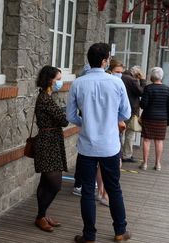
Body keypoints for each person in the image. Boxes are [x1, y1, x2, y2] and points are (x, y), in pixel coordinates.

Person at [67, 43, 132, 243]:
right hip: (110, 145)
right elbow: (126, 113)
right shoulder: (116, 83)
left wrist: (85, 122)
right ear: (105, 61)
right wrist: (112, 121)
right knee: (114, 188)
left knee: (87, 190)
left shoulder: (78, 83)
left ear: (89, 59)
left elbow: (70, 115)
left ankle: (89, 235)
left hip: (87, 146)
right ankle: (120, 231)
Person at [33, 65, 69, 232]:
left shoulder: (46, 96)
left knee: (46, 183)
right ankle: (40, 216)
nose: (60, 83)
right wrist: (65, 113)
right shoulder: (45, 99)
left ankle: (42, 215)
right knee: (55, 184)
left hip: (51, 141)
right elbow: (63, 120)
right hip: (48, 143)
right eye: (58, 79)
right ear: (49, 80)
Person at [139, 67, 169, 171]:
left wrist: (140, 102)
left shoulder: (148, 88)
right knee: (159, 141)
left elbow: (143, 105)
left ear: (151, 77)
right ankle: (158, 164)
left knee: (146, 140)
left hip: (148, 118)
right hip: (162, 119)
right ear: (161, 77)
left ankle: (144, 163)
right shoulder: (167, 89)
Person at [121, 66, 147, 162]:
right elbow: (142, 92)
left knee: (120, 133)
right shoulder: (132, 80)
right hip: (131, 110)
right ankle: (126, 155)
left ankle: (121, 154)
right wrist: (143, 80)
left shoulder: (123, 76)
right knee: (129, 134)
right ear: (137, 73)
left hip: (123, 109)